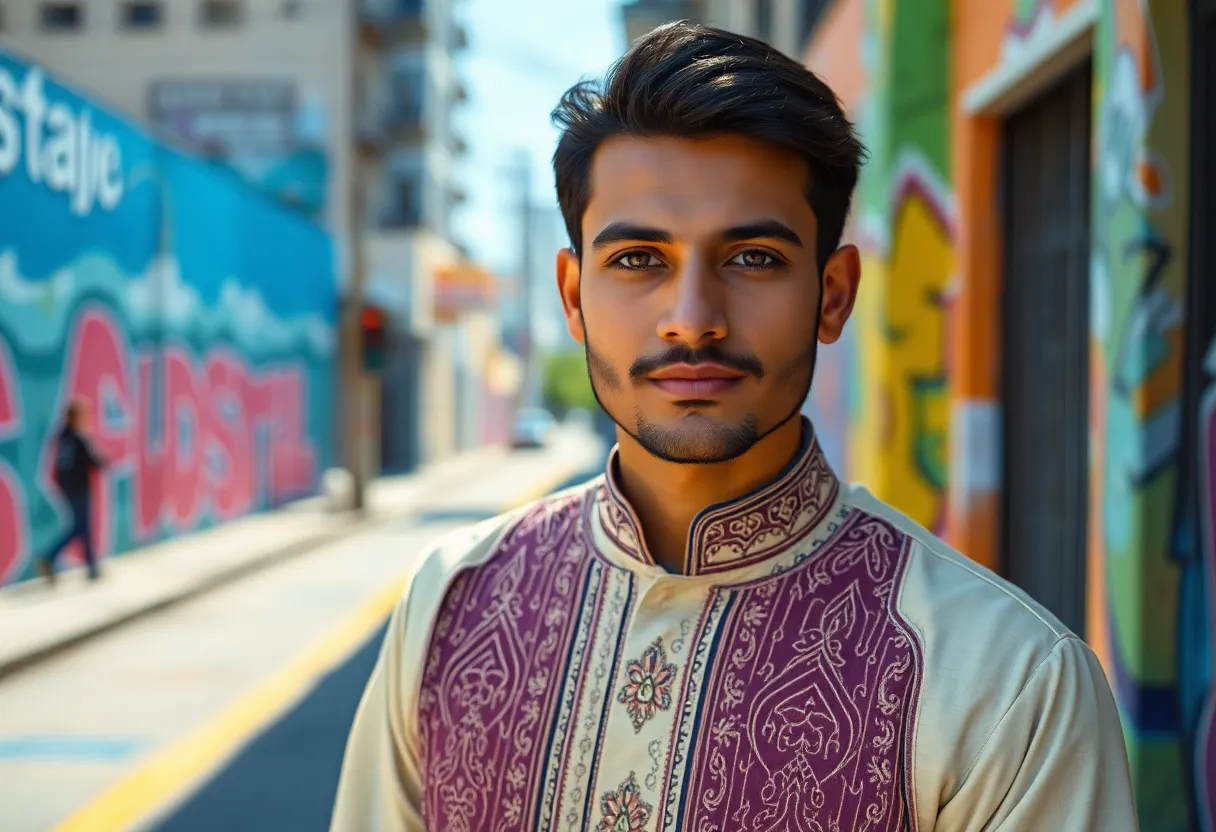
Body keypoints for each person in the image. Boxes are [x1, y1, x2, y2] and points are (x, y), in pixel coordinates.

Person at [332, 22, 1136, 832]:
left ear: (832, 294)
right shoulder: (451, 608)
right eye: (639, 259)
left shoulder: (1008, 685)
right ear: (573, 296)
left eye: (752, 258)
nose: (691, 321)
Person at [39, 398, 105, 583]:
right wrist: (103, 460)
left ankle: (92, 567)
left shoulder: (62, 437)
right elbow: (94, 461)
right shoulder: (78, 438)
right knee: (81, 527)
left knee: (82, 527)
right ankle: (49, 556)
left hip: (67, 488)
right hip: (80, 488)